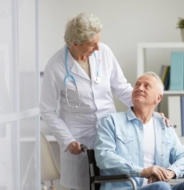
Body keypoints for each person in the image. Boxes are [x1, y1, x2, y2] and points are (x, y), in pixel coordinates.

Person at [40, 13, 171, 190]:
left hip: (110, 132)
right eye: (92, 44)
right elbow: (47, 110)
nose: (97, 48)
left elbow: (122, 88)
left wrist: (150, 113)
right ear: (75, 44)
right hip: (79, 139)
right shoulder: (55, 66)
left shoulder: (104, 52)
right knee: (84, 186)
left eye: (98, 42)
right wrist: (67, 140)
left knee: (115, 183)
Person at [94, 72, 184, 190]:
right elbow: (104, 157)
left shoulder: (164, 126)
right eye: (137, 85)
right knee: (162, 187)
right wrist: (142, 171)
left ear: (158, 98)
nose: (139, 88)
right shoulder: (111, 121)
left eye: (146, 86)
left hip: (160, 187)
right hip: (127, 188)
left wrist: (171, 171)